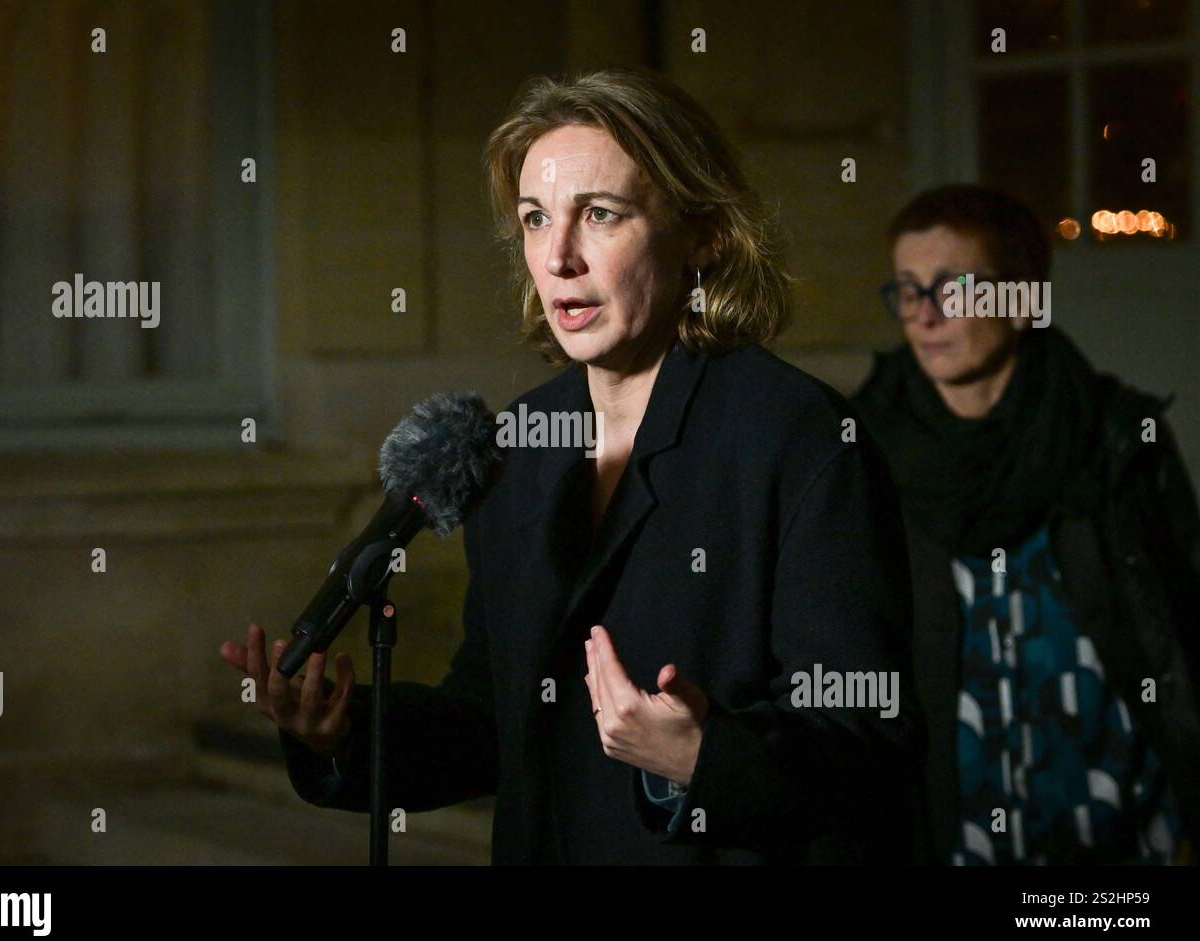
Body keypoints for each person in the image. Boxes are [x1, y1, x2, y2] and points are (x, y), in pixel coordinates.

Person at [221, 67, 924, 864]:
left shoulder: (796, 438)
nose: (557, 258)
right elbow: (493, 717)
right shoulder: (515, 445)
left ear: (704, 235)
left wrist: (702, 759)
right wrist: (345, 733)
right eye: (533, 219)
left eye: (600, 215)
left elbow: (870, 744)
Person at [852, 184, 1200, 865]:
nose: (924, 315)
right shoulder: (864, 453)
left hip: (1118, 824)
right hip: (953, 823)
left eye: (952, 289)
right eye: (906, 289)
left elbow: (1181, 625)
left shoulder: (1117, 436)